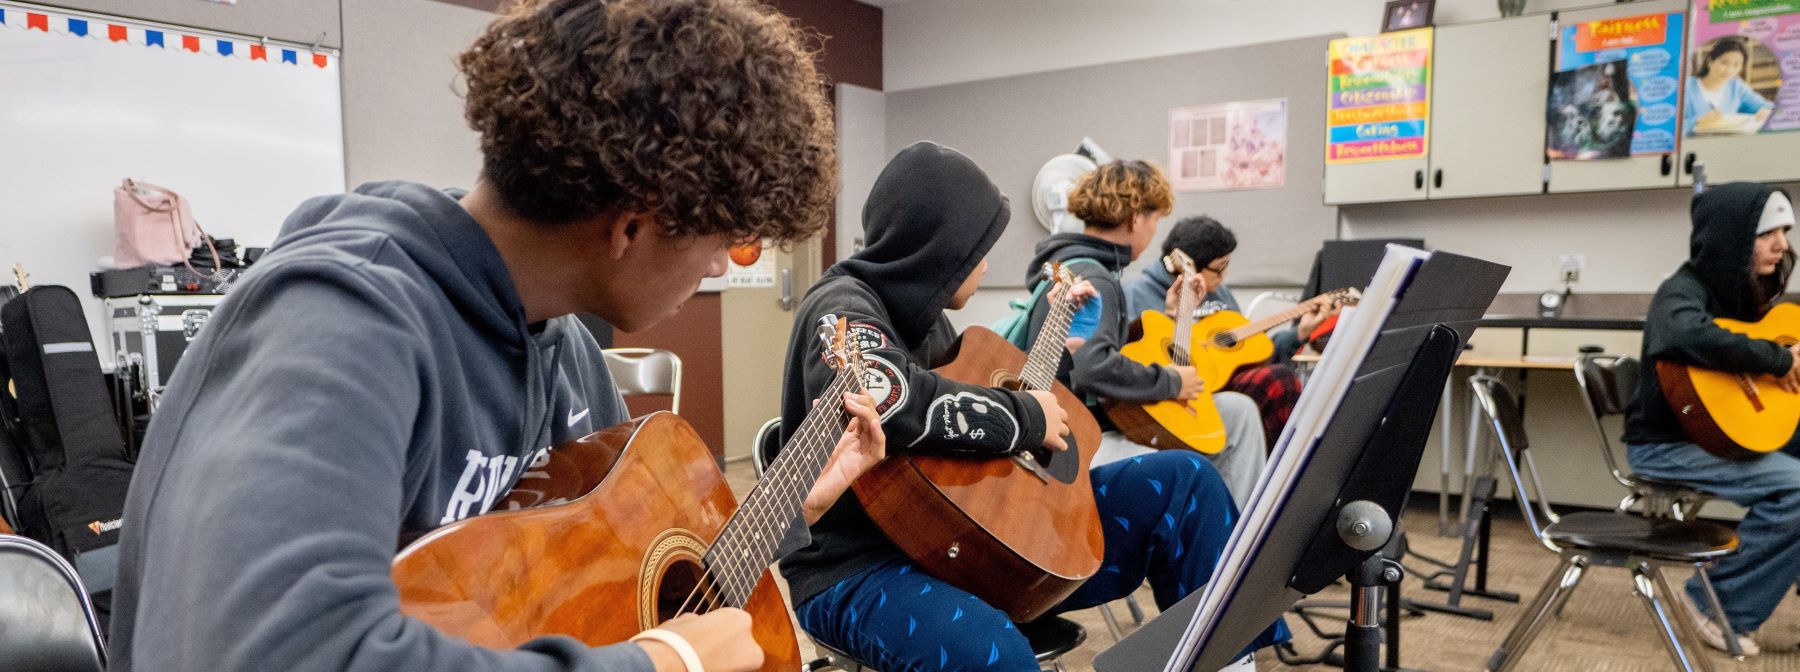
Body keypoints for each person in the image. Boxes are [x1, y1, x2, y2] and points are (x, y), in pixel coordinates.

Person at [107, 1, 881, 670]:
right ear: (634, 223)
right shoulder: (334, 324)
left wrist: (795, 508)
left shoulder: (568, 354)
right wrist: (663, 663)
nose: (716, 266)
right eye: (723, 240)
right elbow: (268, 650)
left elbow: (615, 590)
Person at [778, 142, 1284, 671]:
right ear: (943, 249)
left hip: (967, 537)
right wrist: (1026, 416)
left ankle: (1228, 662)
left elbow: (964, 415)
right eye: (978, 248)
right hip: (856, 566)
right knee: (992, 652)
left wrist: (1052, 372)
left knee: (1186, 483)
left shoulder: (927, 316)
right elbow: (890, 397)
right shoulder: (842, 306)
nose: (986, 263)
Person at [1025, 162, 1268, 505]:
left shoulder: (1076, 265)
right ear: (1135, 218)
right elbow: (1091, 367)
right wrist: (1170, 382)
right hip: (1082, 438)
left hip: (1093, 419)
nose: (1153, 231)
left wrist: (1174, 317)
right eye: (1154, 219)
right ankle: (1236, 533)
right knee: (1204, 456)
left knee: (1237, 411)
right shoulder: (1096, 279)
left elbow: (1093, 349)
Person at [1623, 182, 1799, 657]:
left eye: (1784, 231)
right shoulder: (1682, 290)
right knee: (1798, 490)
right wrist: (1777, 360)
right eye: (1768, 233)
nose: (1782, 244)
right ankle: (1715, 604)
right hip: (1666, 446)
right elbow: (1682, 331)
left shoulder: (1742, 295)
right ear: (1733, 237)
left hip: (1714, 436)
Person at [1124, 216, 1323, 445]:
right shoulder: (1137, 295)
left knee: (1280, 380)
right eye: (1219, 269)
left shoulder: (1220, 292)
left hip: (1225, 382)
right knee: (1277, 381)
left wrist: (1299, 334)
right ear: (1189, 266)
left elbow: (1248, 354)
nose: (1224, 276)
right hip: (1181, 396)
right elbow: (1135, 360)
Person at [1684, 39, 1775, 136]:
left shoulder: (1736, 87)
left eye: (1736, 65)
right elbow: (1672, 126)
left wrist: (1766, 111)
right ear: (1710, 61)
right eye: (1724, 63)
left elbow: (1765, 106)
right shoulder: (1686, 88)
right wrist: (1698, 120)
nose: (1729, 70)